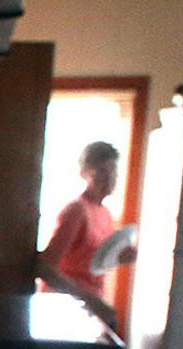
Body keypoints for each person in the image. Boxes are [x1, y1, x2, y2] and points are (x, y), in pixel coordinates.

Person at [38, 139, 136, 329]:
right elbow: (45, 268)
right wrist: (88, 299)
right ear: (84, 174)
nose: (109, 178)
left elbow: (93, 261)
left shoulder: (105, 214)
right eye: (100, 172)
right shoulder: (76, 211)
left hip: (89, 309)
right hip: (63, 310)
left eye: (113, 171)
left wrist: (119, 258)